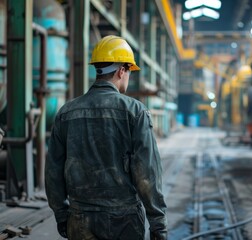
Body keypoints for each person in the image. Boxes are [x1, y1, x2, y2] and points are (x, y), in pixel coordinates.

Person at [45, 35, 167, 240]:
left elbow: (53, 172)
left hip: (80, 219)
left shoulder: (66, 112)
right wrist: (158, 224)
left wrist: (62, 214)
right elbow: (147, 173)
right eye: (129, 72)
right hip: (124, 221)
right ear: (121, 70)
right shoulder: (135, 112)